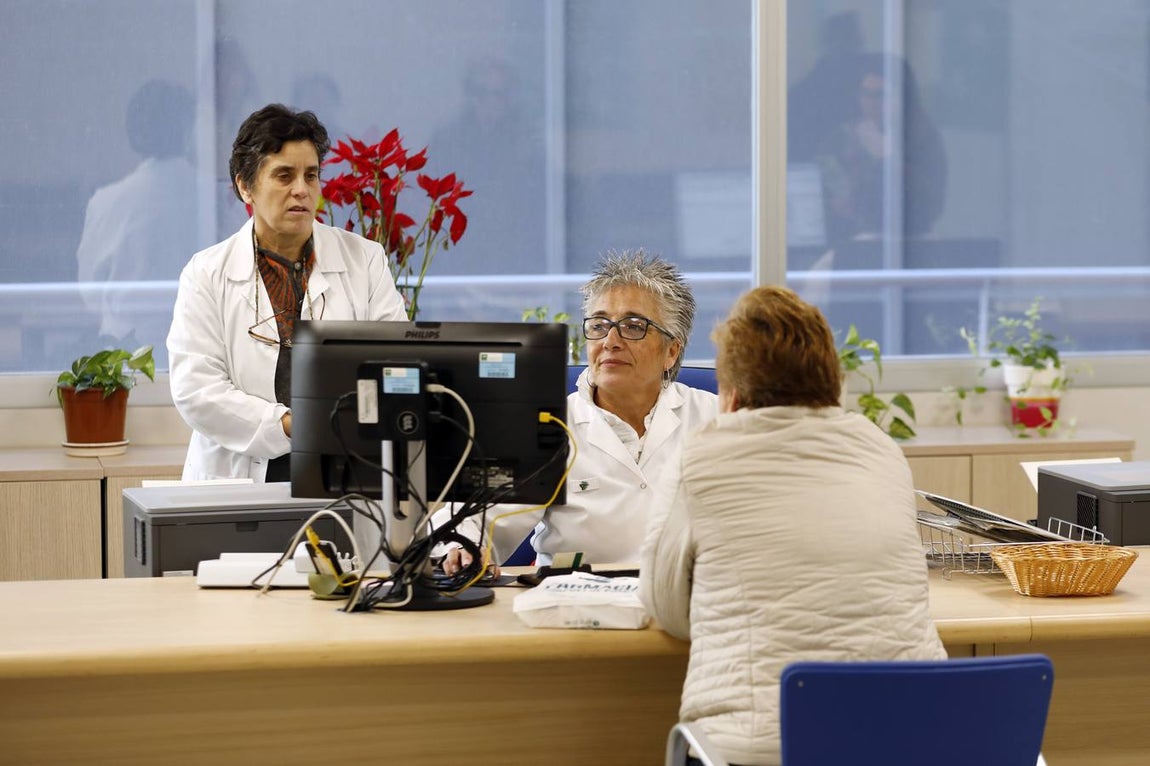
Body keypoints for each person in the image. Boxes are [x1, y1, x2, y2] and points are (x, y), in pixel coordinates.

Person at [640, 285, 945, 766]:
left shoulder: (701, 455)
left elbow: (667, 610)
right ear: (829, 379)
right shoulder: (881, 449)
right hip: (912, 743)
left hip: (760, 751)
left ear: (733, 393)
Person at [167, 104, 408, 482]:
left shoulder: (365, 259)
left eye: (311, 176)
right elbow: (196, 389)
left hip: (344, 469)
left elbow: (398, 363)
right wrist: (290, 424)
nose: (301, 189)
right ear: (244, 186)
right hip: (238, 475)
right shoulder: (207, 273)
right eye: (284, 175)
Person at [437, 250, 718, 573]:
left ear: (671, 350)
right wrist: (462, 546)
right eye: (599, 325)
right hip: (574, 605)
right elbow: (473, 516)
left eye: (633, 326)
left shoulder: (715, 419)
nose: (610, 341)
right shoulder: (548, 424)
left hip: (687, 604)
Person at [76, 79, 200, 346]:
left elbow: (89, 288)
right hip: (198, 344)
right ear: (188, 130)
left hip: (124, 348)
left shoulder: (107, 202)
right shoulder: (212, 198)